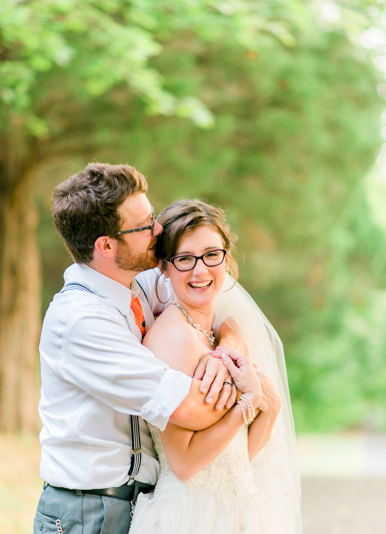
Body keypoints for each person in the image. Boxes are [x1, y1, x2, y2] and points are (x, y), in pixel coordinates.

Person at [34, 163, 263, 534]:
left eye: (153, 217)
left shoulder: (136, 281)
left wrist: (228, 349)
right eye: (144, 226)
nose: (159, 230)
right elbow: (188, 407)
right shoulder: (82, 321)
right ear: (106, 246)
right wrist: (247, 395)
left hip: (140, 502)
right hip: (88, 512)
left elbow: (210, 302)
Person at [128, 199, 302, 534]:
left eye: (211, 254)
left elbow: (235, 462)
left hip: (239, 511)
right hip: (190, 517)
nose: (200, 271)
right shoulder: (173, 339)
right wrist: (248, 405)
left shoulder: (214, 332)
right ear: (164, 267)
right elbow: (185, 464)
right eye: (184, 259)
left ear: (226, 257)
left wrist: (270, 410)